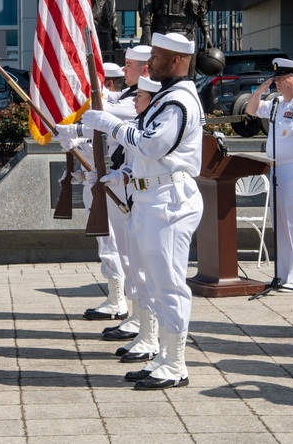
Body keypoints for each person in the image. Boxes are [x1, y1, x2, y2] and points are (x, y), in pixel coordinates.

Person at [82, 32, 204, 390]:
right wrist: (121, 175)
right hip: (151, 198)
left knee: (168, 286)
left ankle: (175, 363)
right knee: (153, 283)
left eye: (159, 56)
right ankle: (162, 356)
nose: (151, 62)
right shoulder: (166, 98)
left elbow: (152, 145)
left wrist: (113, 126)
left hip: (169, 202)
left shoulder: (178, 101)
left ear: (178, 61)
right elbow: (147, 155)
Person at [61, 46, 150, 324]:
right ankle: (118, 299)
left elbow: (100, 119)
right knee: (108, 243)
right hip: (106, 178)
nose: (124, 70)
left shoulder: (139, 99)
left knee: (120, 247)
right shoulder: (126, 95)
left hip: (120, 182)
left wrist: (75, 131)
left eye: (129, 65)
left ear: (145, 69)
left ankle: (131, 308)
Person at [245, 58, 293, 290]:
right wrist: (260, 90)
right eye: (276, 79)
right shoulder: (278, 103)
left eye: (282, 79)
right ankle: (282, 274)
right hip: (277, 169)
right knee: (280, 224)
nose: (278, 83)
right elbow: (252, 110)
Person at [107, 76, 162, 363]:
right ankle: (144, 332)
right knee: (139, 272)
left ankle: (153, 339)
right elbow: (134, 163)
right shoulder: (141, 125)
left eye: (139, 96)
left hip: (153, 203)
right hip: (135, 201)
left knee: (151, 277)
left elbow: (151, 157)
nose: (134, 100)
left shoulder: (151, 129)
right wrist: (120, 175)